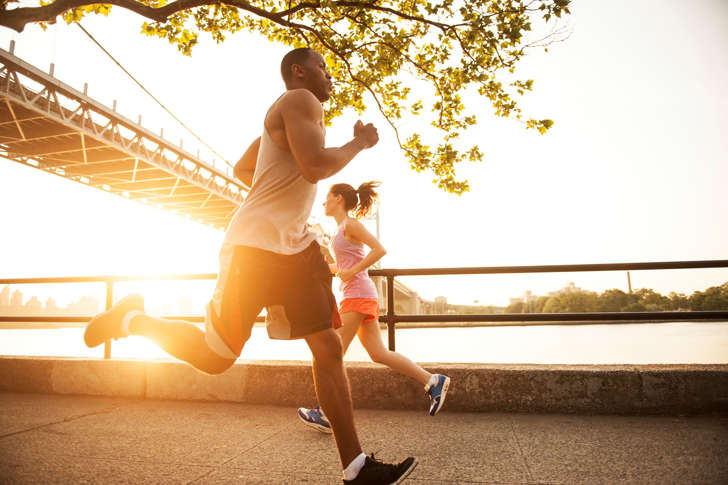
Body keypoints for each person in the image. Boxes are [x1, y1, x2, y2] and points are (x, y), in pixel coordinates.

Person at [83, 47, 417, 485]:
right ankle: (132, 318)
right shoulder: (301, 101)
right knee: (216, 356)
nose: (330, 76)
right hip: (256, 249)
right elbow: (315, 166)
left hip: (295, 249)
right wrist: (360, 143)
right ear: (298, 72)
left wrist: (276, 195)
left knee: (329, 347)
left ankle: (356, 468)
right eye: (323, 68)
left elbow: (246, 168)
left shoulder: (287, 117)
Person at [297, 182, 450, 433]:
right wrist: (329, 263)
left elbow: (379, 249)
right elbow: (343, 269)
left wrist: (353, 271)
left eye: (327, 197)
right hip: (355, 294)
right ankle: (433, 380)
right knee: (378, 353)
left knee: (332, 352)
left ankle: (325, 413)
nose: (323, 202)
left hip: (358, 295)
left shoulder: (351, 224)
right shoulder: (338, 231)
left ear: (338, 199)